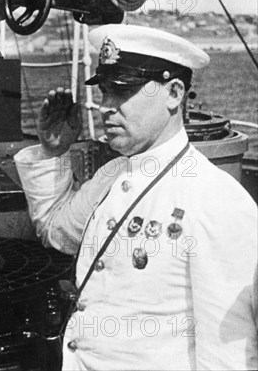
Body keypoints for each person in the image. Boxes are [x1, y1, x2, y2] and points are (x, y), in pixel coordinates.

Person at [14, 24, 258, 370]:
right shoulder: (113, 174)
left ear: (174, 93)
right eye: (103, 93)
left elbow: (225, 354)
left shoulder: (215, 199)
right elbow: (57, 233)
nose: (104, 107)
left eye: (121, 92)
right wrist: (54, 152)